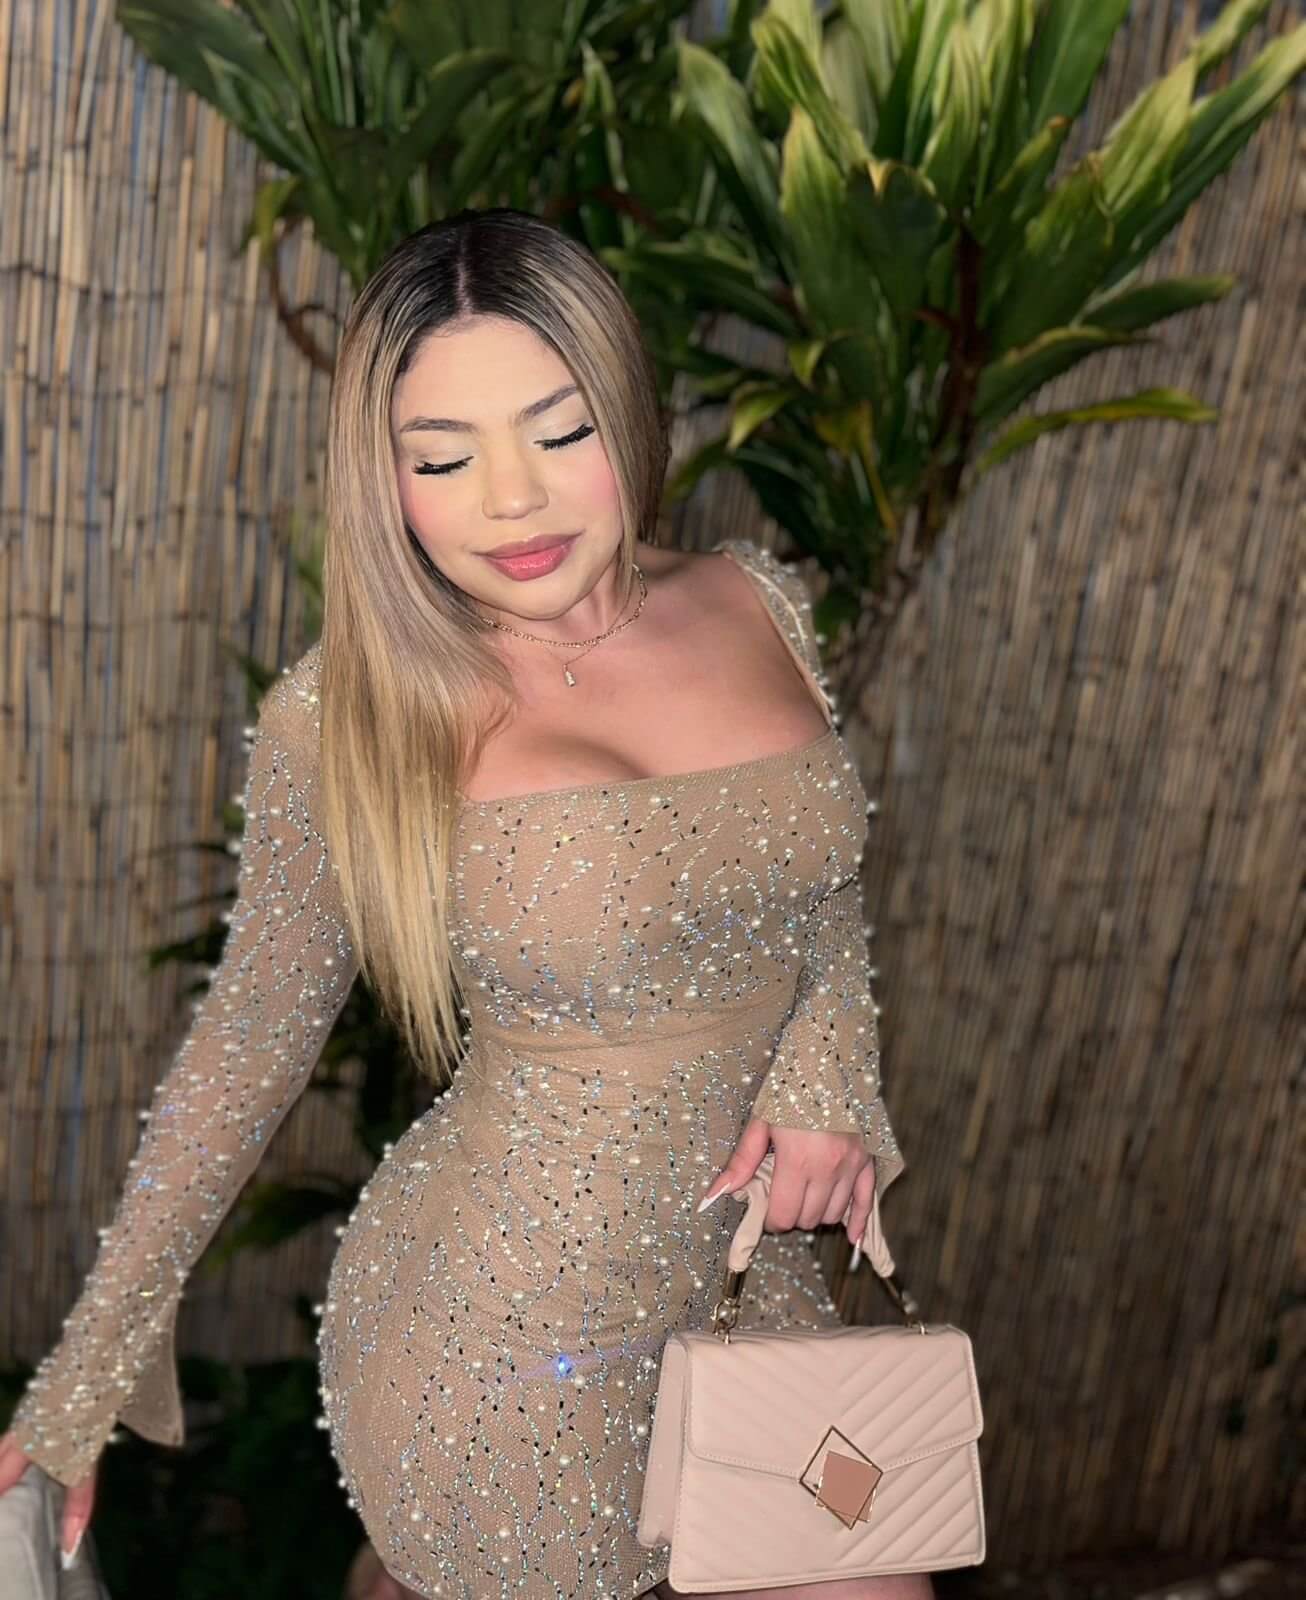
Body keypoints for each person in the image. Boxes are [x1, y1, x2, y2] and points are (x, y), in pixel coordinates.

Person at [0, 209, 917, 1600]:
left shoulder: (756, 599)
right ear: (386, 478)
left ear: (627, 408)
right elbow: (250, 1041)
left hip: (750, 1286)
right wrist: (82, 1378)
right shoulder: (347, 716)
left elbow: (819, 897)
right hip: (504, 1337)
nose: (513, 502)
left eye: (559, 432)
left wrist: (827, 1082)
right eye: (444, 457)